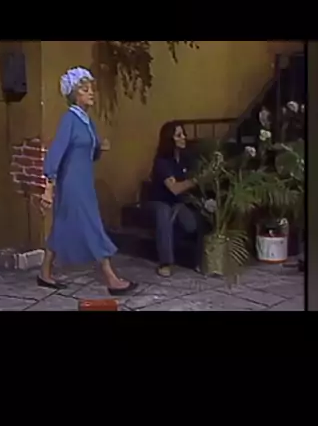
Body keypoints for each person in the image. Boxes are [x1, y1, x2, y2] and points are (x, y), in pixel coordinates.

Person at [39, 68, 137, 296]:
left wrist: (101, 148)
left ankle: (44, 272)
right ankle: (111, 278)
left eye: (91, 88)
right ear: (75, 94)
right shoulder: (69, 120)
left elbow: (88, 154)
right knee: (92, 225)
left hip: (85, 182)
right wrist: (49, 188)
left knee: (61, 226)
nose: (91, 92)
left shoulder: (88, 122)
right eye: (85, 89)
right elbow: (56, 152)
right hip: (72, 184)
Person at [148, 123, 205, 278]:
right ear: (170, 139)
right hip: (160, 201)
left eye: (183, 134)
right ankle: (166, 263)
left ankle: (200, 260)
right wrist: (196, 180)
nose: (184, 137)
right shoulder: (162, 161)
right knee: (164, 213)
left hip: (179, 203)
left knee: (193, 222)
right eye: (179, 135)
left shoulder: (186, 158)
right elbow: (174, 188)